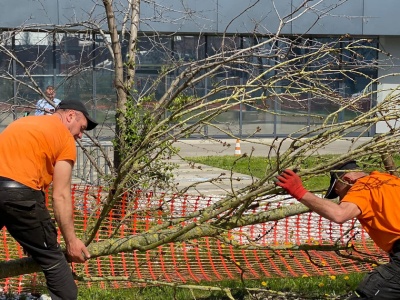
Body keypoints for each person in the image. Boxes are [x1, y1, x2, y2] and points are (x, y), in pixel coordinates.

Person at [0, 99, 98, 300]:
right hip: (21, 195)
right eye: (82, 128)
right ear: (70, 116)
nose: (80, 135)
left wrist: (31, 239)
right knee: (53, 260)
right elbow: (60, 195)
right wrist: (71, 242)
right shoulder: (64, 138)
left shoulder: (21, 124)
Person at [275, 160, 400, 299]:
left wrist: (299, 191)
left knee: (369, 293)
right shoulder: (390, 181)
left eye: (340, 193)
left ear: (347, 179)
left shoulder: (363, 186)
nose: (343, 199)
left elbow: (339, 214)